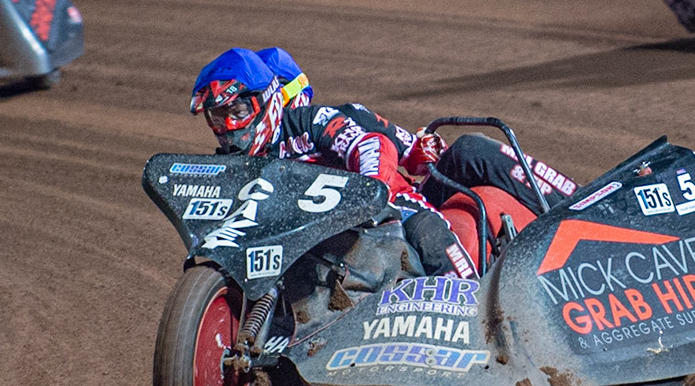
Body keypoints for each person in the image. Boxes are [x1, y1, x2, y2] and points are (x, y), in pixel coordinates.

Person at [191, 48, 479, 279]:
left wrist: (370, 193)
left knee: (426, 230)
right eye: (216, 117)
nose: (227, 126)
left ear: (268, 99)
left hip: (383, 208)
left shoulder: (313, 120)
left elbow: (373, 145)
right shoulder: (230, 164)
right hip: (304, 234)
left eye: (237, 111)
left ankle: (469, 304)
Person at [252, 46, 578, 215]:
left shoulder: (344, 119)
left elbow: (413, 153)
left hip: (397, 213)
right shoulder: (239, 157)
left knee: (469, 150)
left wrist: (426, 151)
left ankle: (575, 203)